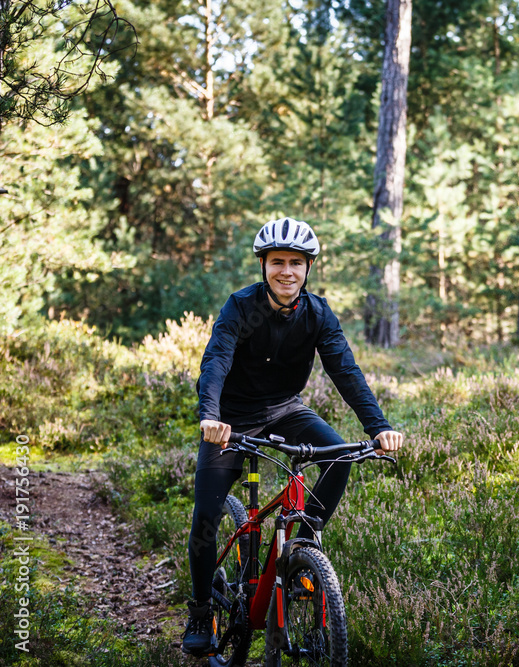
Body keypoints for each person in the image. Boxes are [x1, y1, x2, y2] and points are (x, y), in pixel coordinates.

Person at [182, 217, 404, 656]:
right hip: (231, 417)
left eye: (296, 263)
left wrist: (378, 426)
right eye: (278, 262)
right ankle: (201, 609)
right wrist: (211, 417)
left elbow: (345, 371)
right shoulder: (240, 307)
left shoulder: (318, 314)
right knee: (206, 516)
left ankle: (302, 547)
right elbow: (216, 362)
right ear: (263, 265)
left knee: (338, 456)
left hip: (285, 409)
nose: (287, 271)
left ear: (308, 268)